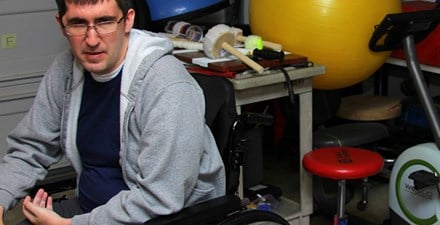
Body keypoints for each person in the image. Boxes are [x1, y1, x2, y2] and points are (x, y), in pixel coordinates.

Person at [0, 0, 225, 224]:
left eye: (104, 21)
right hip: (89, 210)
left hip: (160, 218)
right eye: (78, 24)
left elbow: (160, 197)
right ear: (61, 25)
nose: (92, 40)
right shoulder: (65, 70)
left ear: (128, 20)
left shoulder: (167, 84)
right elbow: (30, 148)